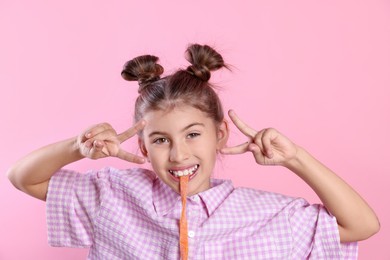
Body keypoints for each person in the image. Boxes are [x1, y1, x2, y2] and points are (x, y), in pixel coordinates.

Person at [7, 44, 379, 259]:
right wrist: (77, 147)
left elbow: (362, 225)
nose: (179, 155)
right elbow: (23, 177)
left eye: (193, 134)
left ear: (220, 135)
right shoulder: (114, 197)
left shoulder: (266, 215)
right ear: (142, 147)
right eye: (161, 140)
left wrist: (296, 157)